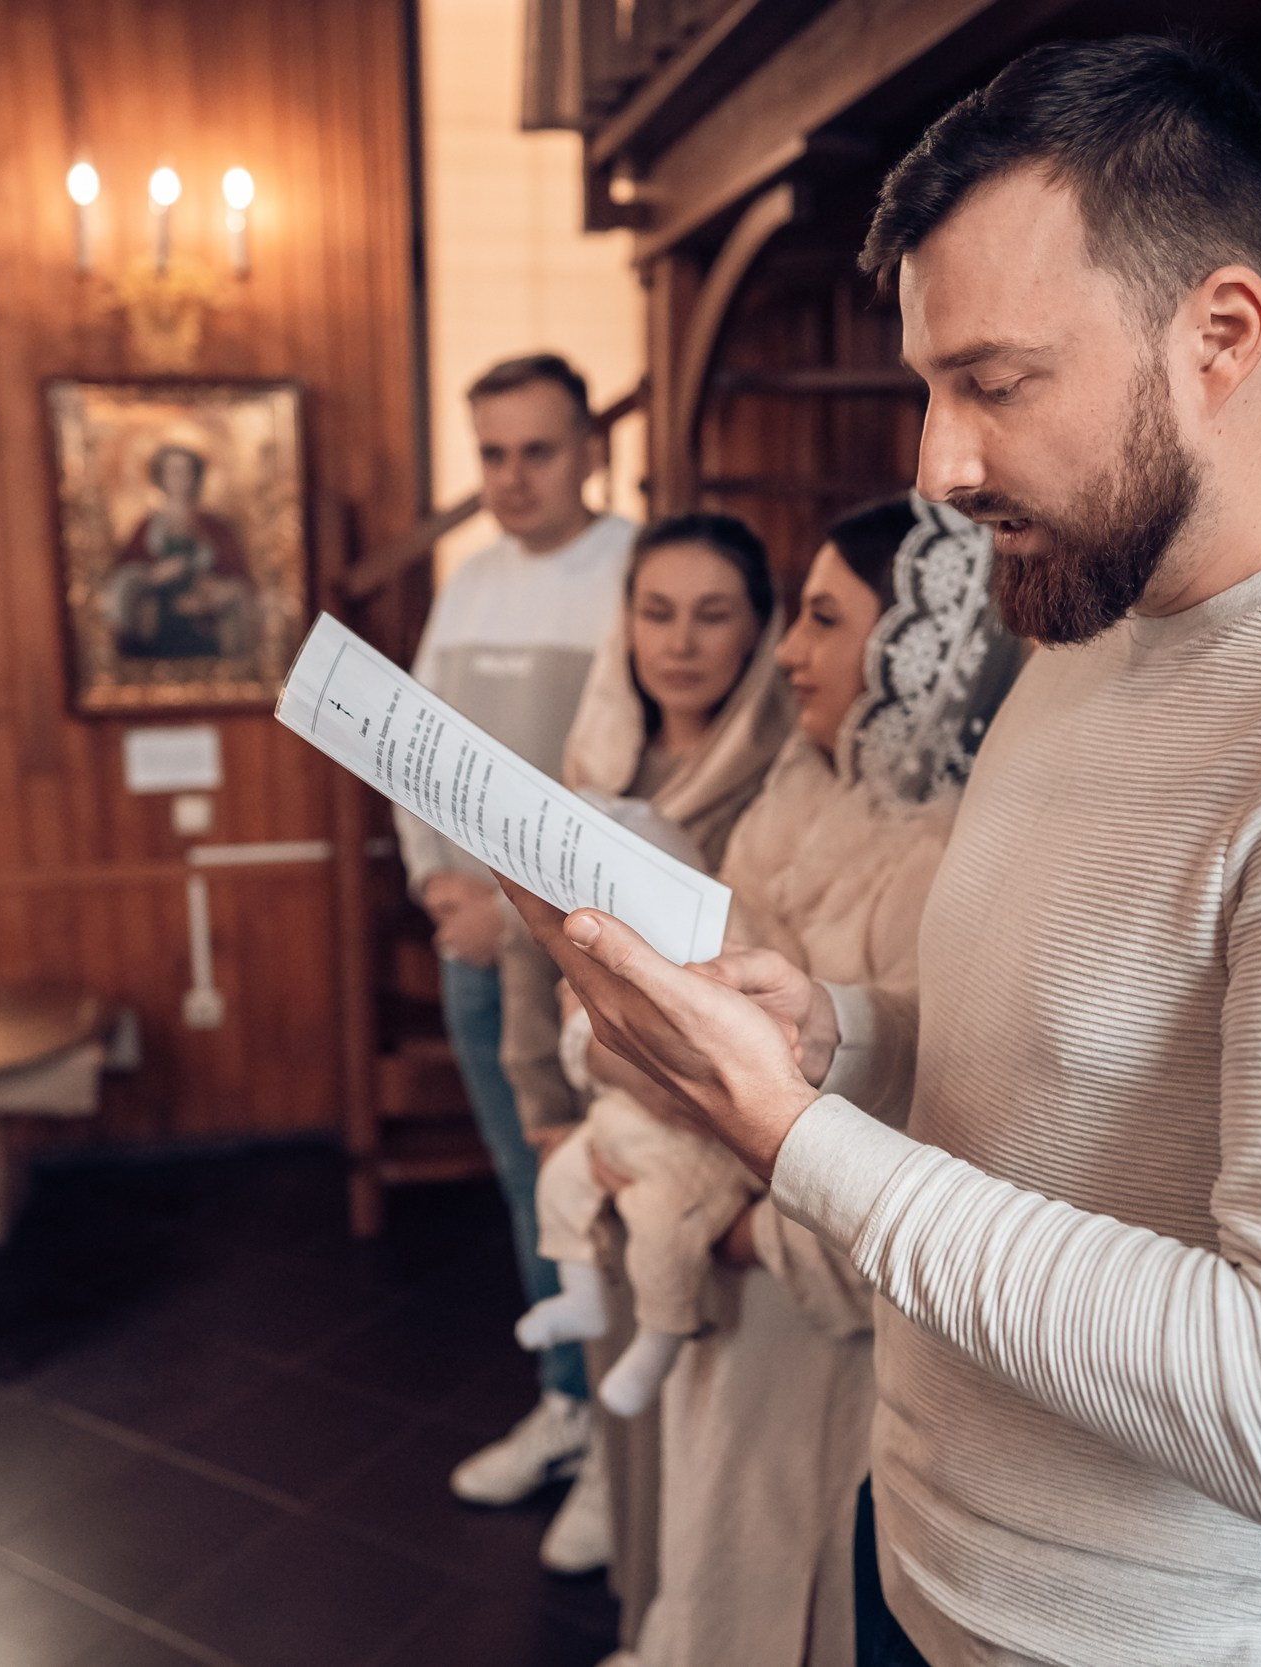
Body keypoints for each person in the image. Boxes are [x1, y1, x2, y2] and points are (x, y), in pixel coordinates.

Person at [507, 36, 1261, 1667]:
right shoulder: (1078, 644)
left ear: (1221, 334)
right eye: (927, 385)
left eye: (993, 381)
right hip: (914, 1555)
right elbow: (1058, 1075)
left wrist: (791, 1137)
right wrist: (834, 1036)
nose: (937, 466)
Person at [619, 496, 1017, 1667]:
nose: (784, 650)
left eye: (821, 618)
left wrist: (749, 1237)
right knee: (714, 1538)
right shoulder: (801, 787)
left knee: (795, 1572)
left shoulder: (949, 859)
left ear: (918, 646)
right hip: (732, 1262)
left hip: (831, 1321)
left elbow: (939, 1133)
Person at [403, 354, 635, 1573]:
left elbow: (630, 777)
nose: (510, 478)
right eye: (490, 454)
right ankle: (561, 1400)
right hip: (474, 940)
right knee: (518, 1180)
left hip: (584, 949)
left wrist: (511, 902)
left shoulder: (635, 573)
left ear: (588, 447)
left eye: (536, 450)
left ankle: (618, 1434)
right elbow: (413, 755)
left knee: (596, 1186)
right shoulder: (467, 582)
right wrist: (435, 881)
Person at [519, 514, 795, 1418]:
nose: (679, 642)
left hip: (701, 1120)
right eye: (657, 612)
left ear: (759, 626)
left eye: (712, 615)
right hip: (593, 1086)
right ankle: (591, 1457)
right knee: (591, 1270)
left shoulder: (780, 776)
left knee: (679, 1316)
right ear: (626, 623)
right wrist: (550, 1109)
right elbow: (538, 942)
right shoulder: (600, 760)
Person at [105, 443, 250, 660]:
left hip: (205, 626)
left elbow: (241, 581)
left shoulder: (216, 529)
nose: (180, 478)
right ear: (160, 476)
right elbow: (119, 581)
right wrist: (151, 576)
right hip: (157, 627)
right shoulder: (145, 528)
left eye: (186, 470)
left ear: (196, 476)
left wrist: (215, 592)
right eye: (173, 471)